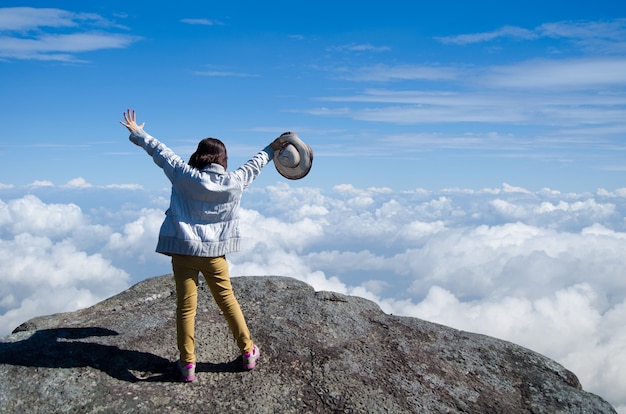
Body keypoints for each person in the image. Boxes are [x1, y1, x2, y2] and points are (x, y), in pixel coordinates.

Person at [120, 109, 286, 381]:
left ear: (199, 156)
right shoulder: (235, 182)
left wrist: (138, 133)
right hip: (214, 255)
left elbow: (160, 152)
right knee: (228, 302)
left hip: (183, 251)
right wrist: (272, 147)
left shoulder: (184, 175)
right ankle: (247, 353)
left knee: (186, 307)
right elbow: (256, 164)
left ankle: (187, 365)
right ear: (223, 160)